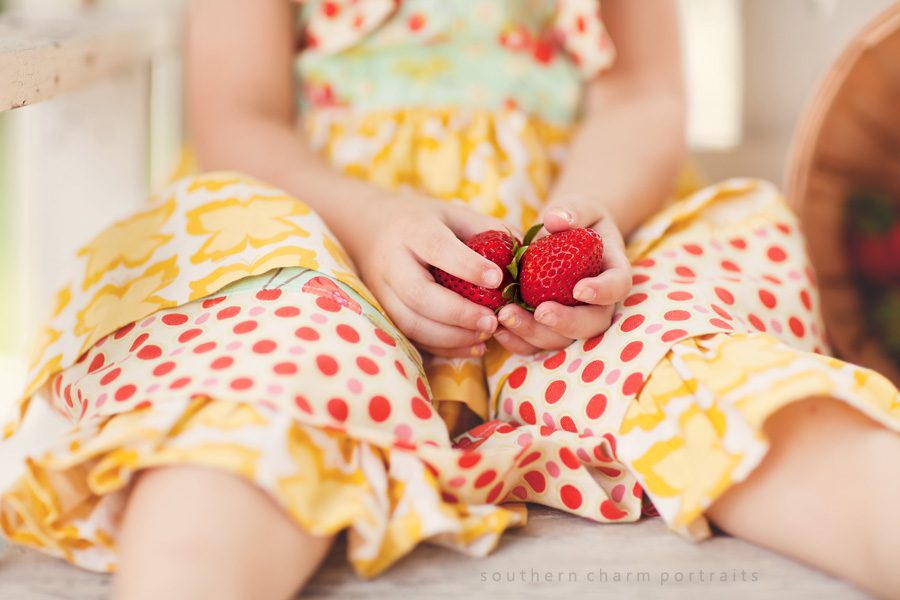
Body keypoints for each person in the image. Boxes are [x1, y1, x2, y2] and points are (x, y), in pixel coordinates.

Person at [2, 1, 898, 598]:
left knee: (693, 359)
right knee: (260, 371)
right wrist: (371, 220)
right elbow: (239, 116)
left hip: (567, 246)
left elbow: (642, 95)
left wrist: (582, 228)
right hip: (326, 236)